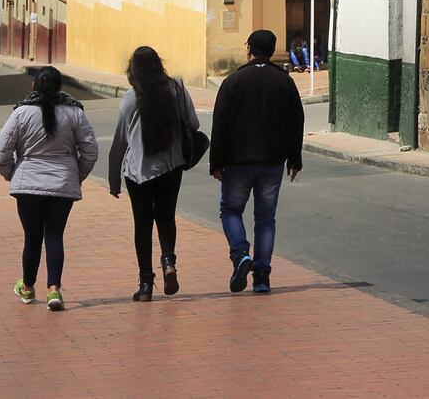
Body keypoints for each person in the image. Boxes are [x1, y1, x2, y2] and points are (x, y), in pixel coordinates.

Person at [0, 67, 99, 311]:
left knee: (32, 237)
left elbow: (1, 154)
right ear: (60, 87)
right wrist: (75, 175)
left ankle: (28, 287)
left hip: (28, 184)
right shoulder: (75, 113)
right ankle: (54, 290)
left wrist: (14, 175)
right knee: (54, 235)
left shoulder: (20, 113)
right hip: (62, 183)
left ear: (33, 87)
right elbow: (90, 151)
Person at [209, 29, 304, 295]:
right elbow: (296, 122)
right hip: (272, 162)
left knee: (230, 211)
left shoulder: (234, 81)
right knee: (265, 218)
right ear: (273, 51)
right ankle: (261, 277)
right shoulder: (284, 81)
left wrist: (216, 162)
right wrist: (294, 159)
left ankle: (240, 255)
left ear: (249, 49)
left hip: (237, 162)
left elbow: (220, 124)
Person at [107, 45, 202, 302]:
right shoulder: (176, 88)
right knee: (166, 217)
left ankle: (146, 284)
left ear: (133, 70)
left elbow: (118, 144)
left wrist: (113, 180)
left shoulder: (130, 98)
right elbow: (193, 124)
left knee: (143, 225)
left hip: (138, 172)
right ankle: (169, 262)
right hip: (171, 166)